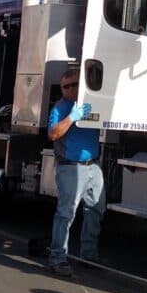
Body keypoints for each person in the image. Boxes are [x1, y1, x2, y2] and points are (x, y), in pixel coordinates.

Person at [46, 70, 106, 278]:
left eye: (75, 85)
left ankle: (88, 255)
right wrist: (72, 117)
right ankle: (57, 258)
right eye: (66, 86)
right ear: (61, 89)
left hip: (93, 166)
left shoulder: (90, 104)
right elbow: (53, 134)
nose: (71, 89)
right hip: (71, 167)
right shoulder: (60, 108)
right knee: (66, 213)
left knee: (96, 210)